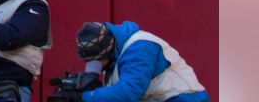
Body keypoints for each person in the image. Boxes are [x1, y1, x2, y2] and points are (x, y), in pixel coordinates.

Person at [73, 22, 208, 102]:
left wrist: (84, 97)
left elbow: (129, 92)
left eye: (97, 62)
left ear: (108, 51)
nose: (96, 67)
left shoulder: (140, 47)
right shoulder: (115, 53)